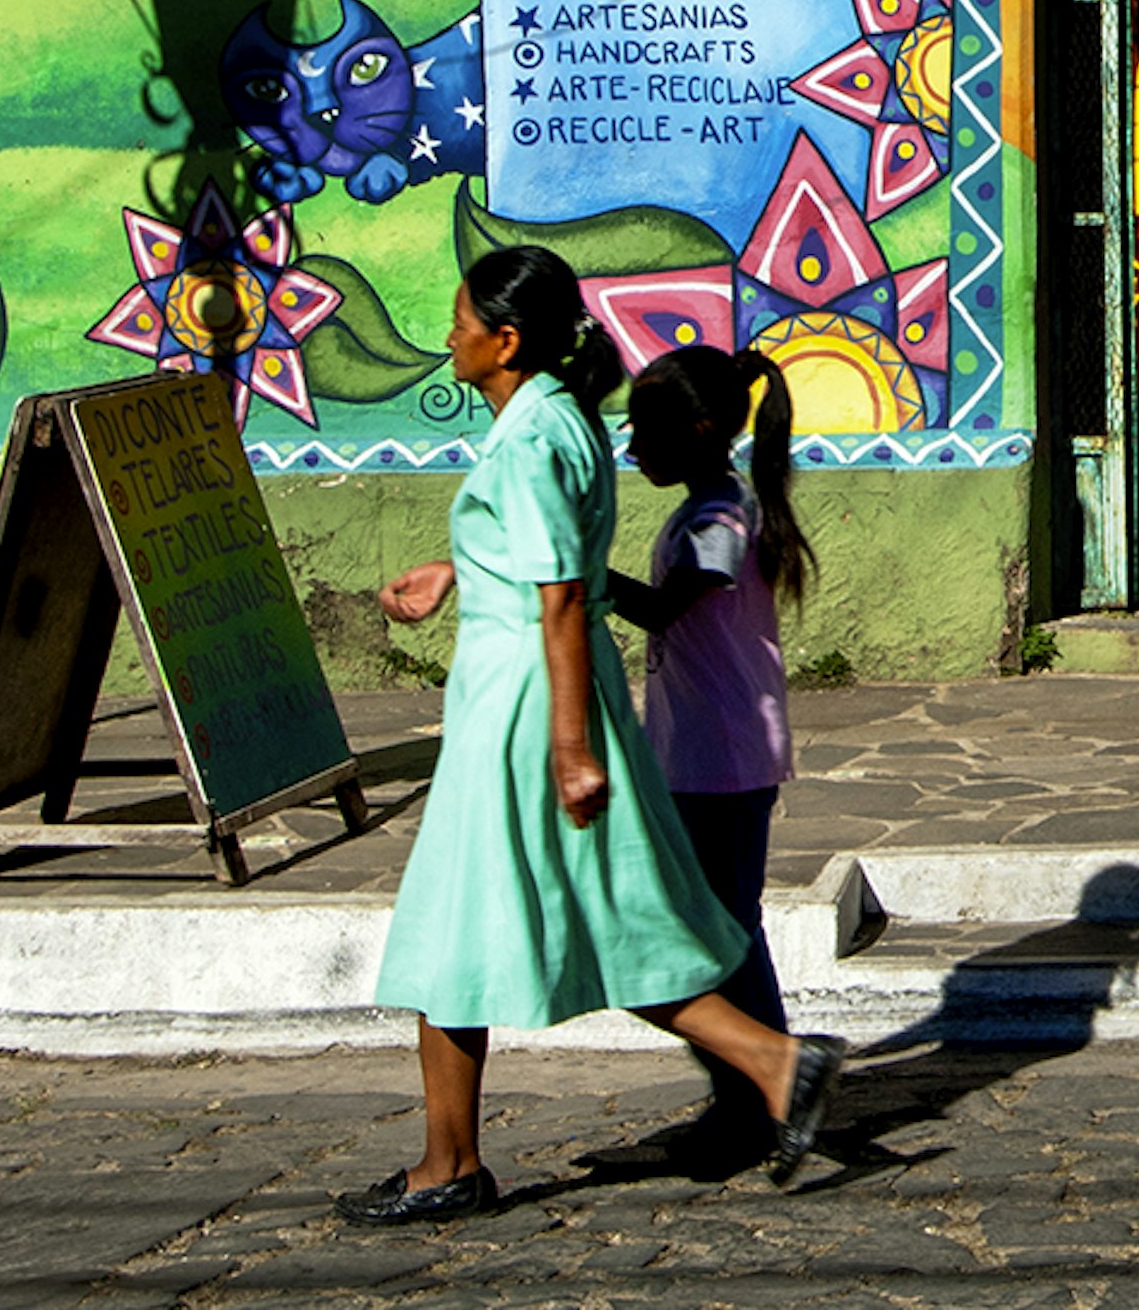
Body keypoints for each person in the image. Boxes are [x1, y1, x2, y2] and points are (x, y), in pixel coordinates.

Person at [347, 246, 845, 1223]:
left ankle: (450, 1161)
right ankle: (776, 1064)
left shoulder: (536, 440)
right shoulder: (553, 425)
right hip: (529, 701)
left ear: (506, 340)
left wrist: (571, 747)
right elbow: (543, 562)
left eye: (460, 321)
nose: (447, 335)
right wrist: (459, 569)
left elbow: (566, 595)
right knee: (605, 920)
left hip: (523, 714)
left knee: (468, 927)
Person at [606, 343, 815, 1165]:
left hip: (721, 758)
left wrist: (572, 570)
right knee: (725, 926)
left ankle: (763, 1093)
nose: (632, 448)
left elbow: (664, 609)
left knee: (727, 930)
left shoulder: (719, 521)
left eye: (646, 433)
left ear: (699, 430)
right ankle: (758, 1087)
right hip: (704, 750)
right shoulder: (711, 504)